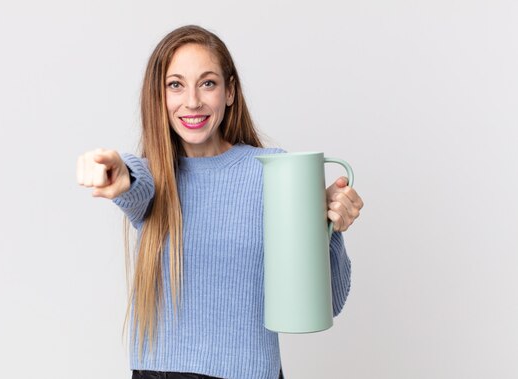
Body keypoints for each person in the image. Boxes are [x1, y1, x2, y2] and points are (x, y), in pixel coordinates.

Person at [76, 25, 364, 379]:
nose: (192, 101)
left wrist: (328, 226)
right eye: (175, 85)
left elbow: (328, 303)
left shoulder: (272, 172)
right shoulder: (156, 177)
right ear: (159, 97)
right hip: (158, 373)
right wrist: (120, 172)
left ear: (229, 92)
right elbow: (137, 180)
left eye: (207, 83)